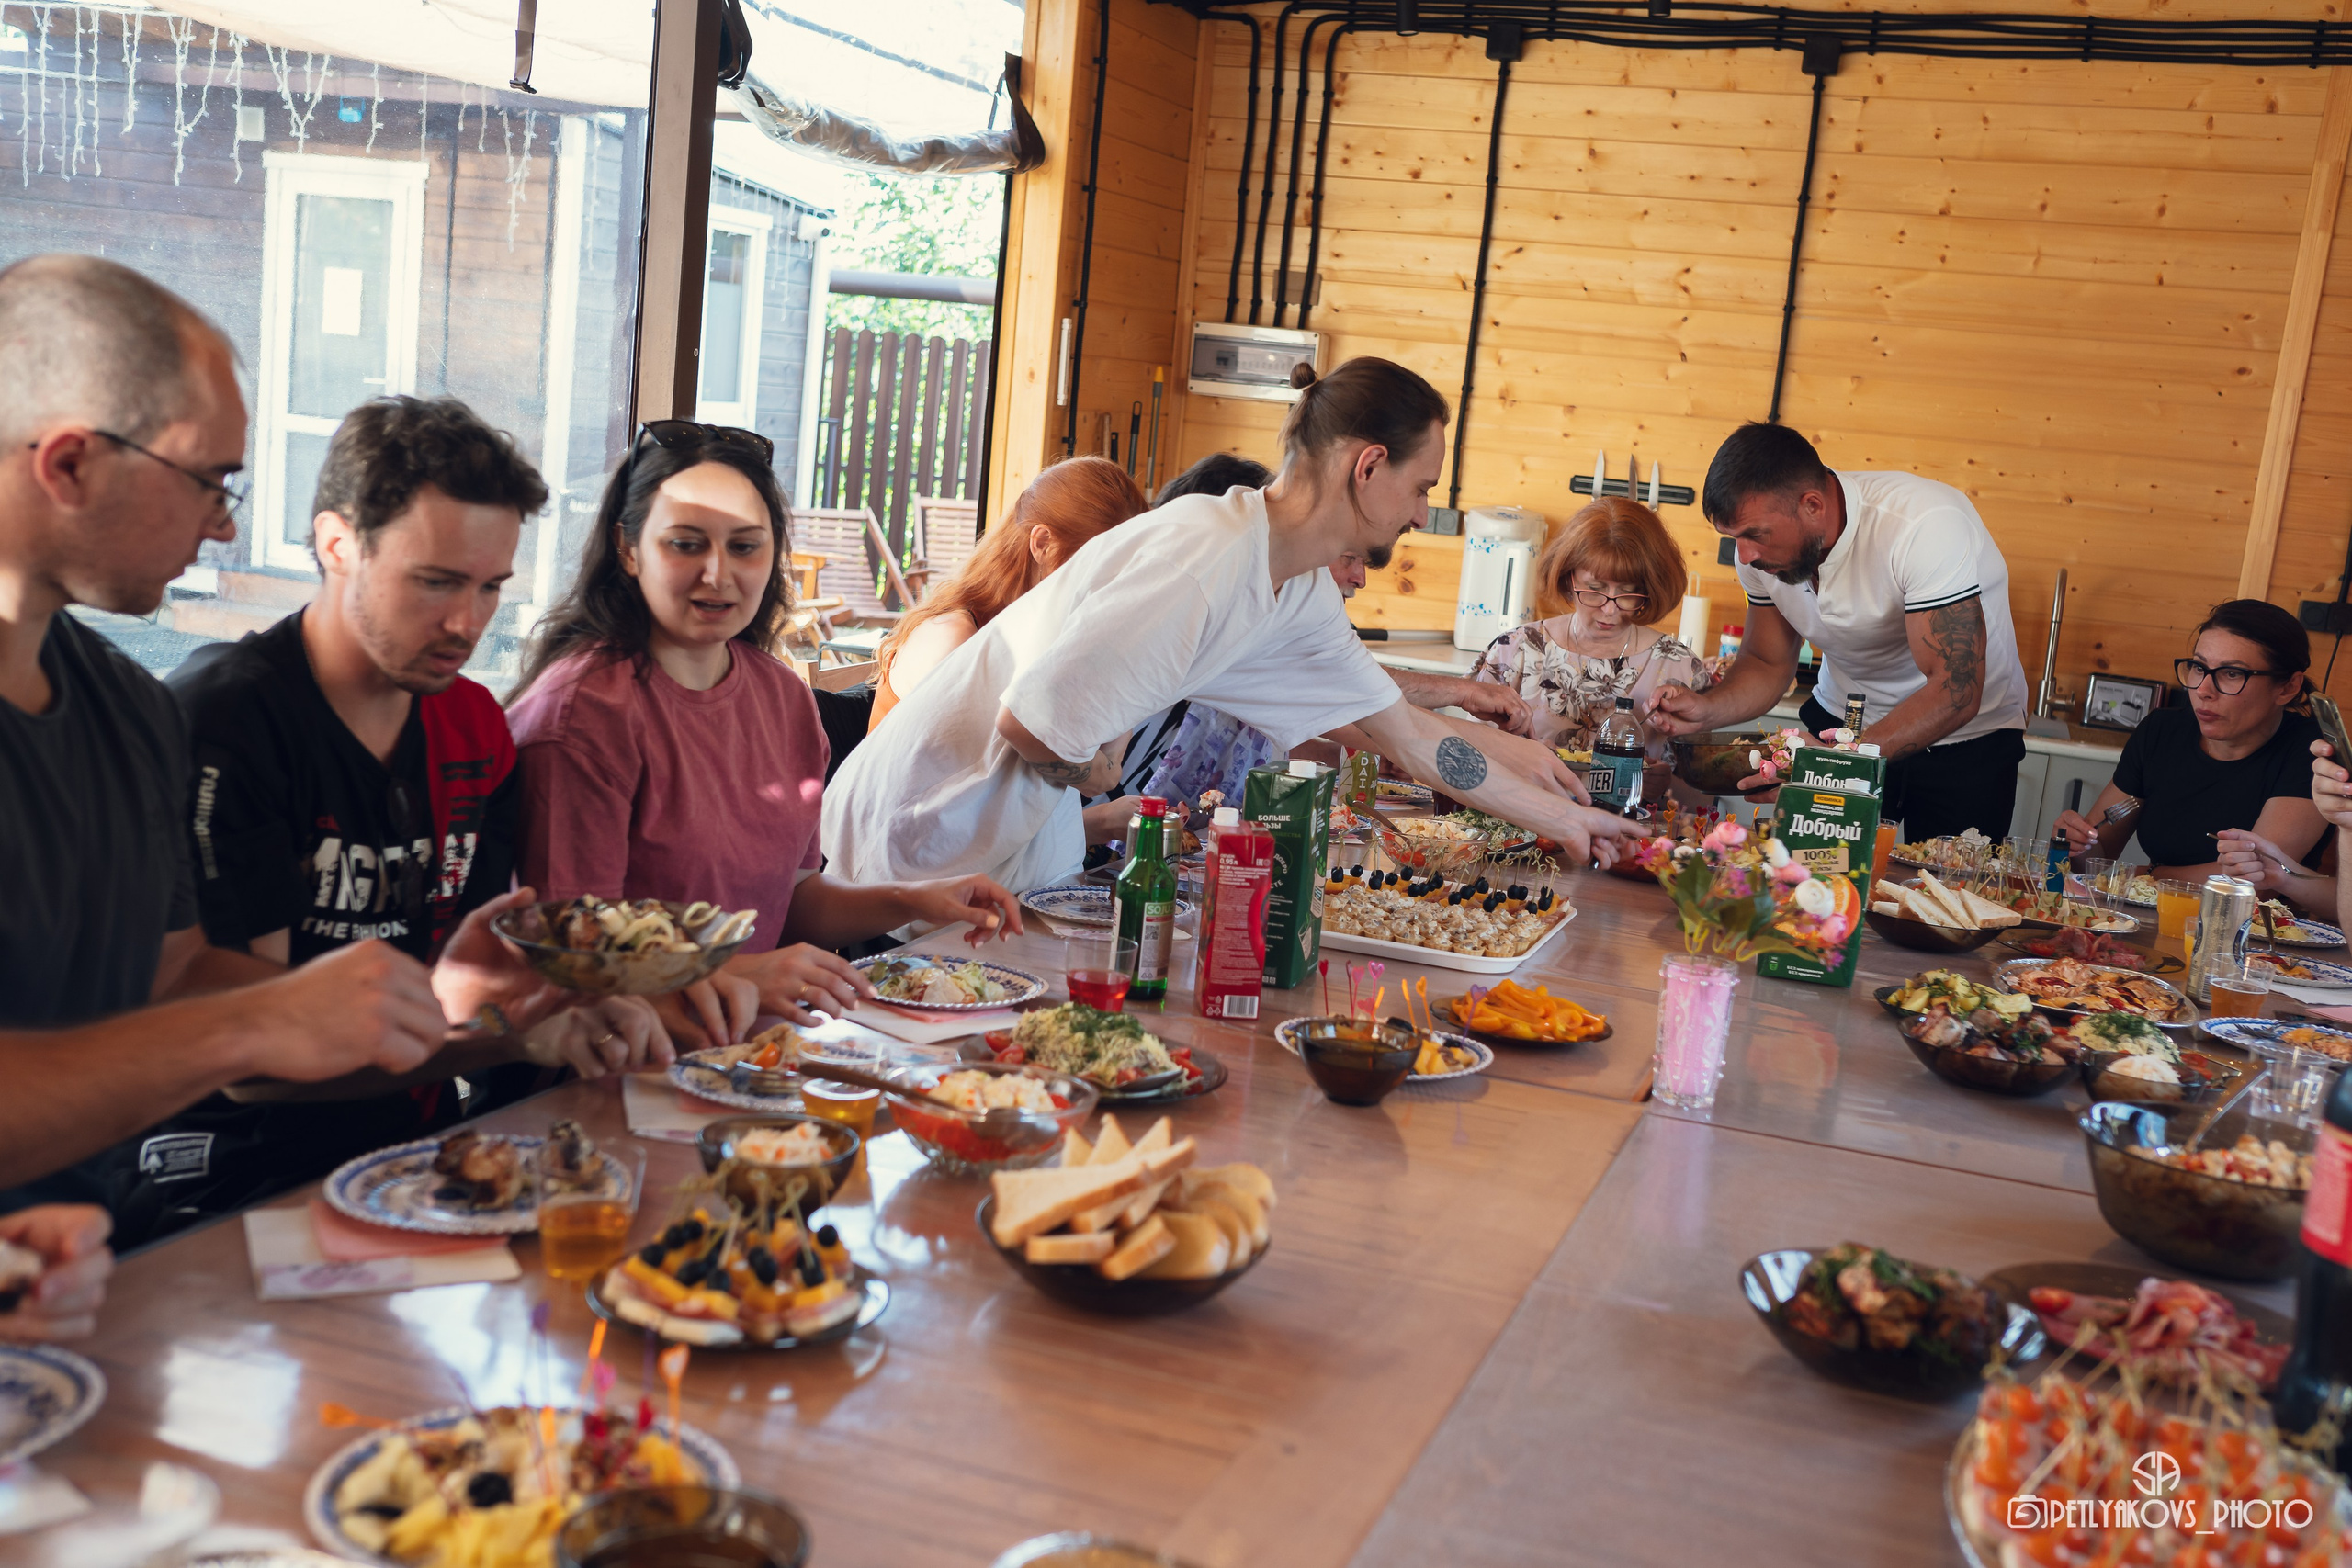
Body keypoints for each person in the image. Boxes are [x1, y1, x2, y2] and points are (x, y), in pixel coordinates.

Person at [0, 254, 507, 1241]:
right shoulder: (216, 711)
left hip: (79, 1276)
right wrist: (257, 1023)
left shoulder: (131, 712)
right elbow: (222, 1027)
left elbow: (177, 977)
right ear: (66, 462)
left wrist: (447, 1007)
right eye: (208, 480)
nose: (225, 522)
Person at [820, 356, 1641, 895]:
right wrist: (1100, 773)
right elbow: (1033, 728)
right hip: (917, 834)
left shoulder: (1295, 591)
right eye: (1422, 486)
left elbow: (1412, 739)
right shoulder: (1205, 557)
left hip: (994, 846)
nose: (1423, 513)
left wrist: (1570, 820)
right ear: (1367, 466)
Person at [145, 397, 665, 1239]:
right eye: (435, 582)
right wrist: (506, 1040)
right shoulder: (228, 723)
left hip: (415, 1157)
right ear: (337, 543)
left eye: (490, 587)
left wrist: (551, 1007)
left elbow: (463, 987)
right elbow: (251, 1062)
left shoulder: (474, 725)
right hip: (228, 1183)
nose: (467, 622)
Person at [507, 421, 1025, 1043]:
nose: (718, 574)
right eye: (685, 544)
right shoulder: (581, 715)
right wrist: (746, 973)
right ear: (628, 548)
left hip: (757, 1055)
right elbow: (569, 967)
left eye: (745, 546)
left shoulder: (783, 698)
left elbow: (793, 898)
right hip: (609, 1073)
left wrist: (914, 898)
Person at [1645, 422, 2030, 840]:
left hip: (1963, 743)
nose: (1744, 555)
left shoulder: (1922, 525)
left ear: (1813, 505)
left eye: (1754, 535)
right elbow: (1766, 661)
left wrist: (1833, 765)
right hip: (1840, 724)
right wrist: (1707, 710)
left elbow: (1956, 690)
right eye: (1734, 537)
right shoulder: (1757, 557)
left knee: (1940, 893)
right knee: (1809, 885)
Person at [2061, 600, 2326, 894]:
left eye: (2232, 674)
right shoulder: (2161, 731)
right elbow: (2098, 854)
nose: (2203, 690)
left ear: (2287, 687)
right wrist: (2077, 844)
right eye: (2199, 668)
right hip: (2153, 918)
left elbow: (2256, 881)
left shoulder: (2314, 752)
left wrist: (2147, 874)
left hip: (2257, 931)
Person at [871, 457, 1148, 734]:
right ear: (1042, 544)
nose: (1108, 591)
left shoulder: (1041, 628)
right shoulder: (953, 637)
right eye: (1098, 567)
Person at [1471, 496, 1712, 802]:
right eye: (1594, 589)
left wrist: (1667, 788)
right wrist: (1515, 761)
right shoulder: (1515, 651)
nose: (1610, 611)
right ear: (1568, 577)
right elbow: (1464, 762)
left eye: (1627, 593)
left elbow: (1702, 799)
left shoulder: (1680, 667)